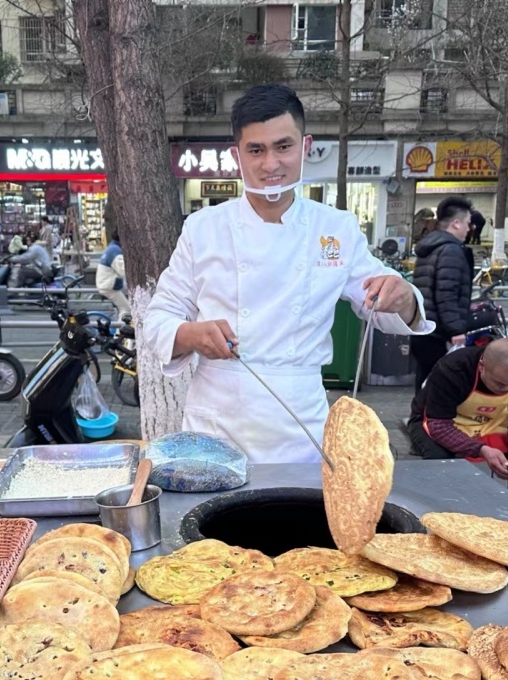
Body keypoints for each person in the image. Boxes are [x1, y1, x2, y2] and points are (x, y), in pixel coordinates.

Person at [143, 83, 433, 464]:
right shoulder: (203, 227)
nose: (270, 164)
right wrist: (192, 334)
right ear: (237, 155)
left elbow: (384, 306)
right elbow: (157, 319)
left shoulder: (336, 229)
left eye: (283, 146)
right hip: (216, 420)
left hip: (300, 424)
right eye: (256, 150)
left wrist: (404, 296)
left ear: (306, 145)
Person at [408, 339, 508, 479]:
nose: (506, 389)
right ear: (481, 366)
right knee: (442, 461)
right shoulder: (454, 369)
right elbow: (439, 426)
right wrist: (480, 449)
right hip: (436, 421)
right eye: (501, 384)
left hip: (494, 422)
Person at [409, 196, 474, 394]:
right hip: (438, 332)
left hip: (424, 327)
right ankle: (429, 423)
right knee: (440, 386)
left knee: (425, 382)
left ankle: (418, 421)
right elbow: (447, 293)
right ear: (456, 223)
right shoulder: (451, 250)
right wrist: (456, 330)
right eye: (467, 223)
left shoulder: (430, 247)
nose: (469, 229)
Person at [96, 230, 130, 317]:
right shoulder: (115, 251)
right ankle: (121, 330)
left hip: (107, 283)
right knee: (126, 309)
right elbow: (124, 271)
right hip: (109, 286)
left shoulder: (112, 247)